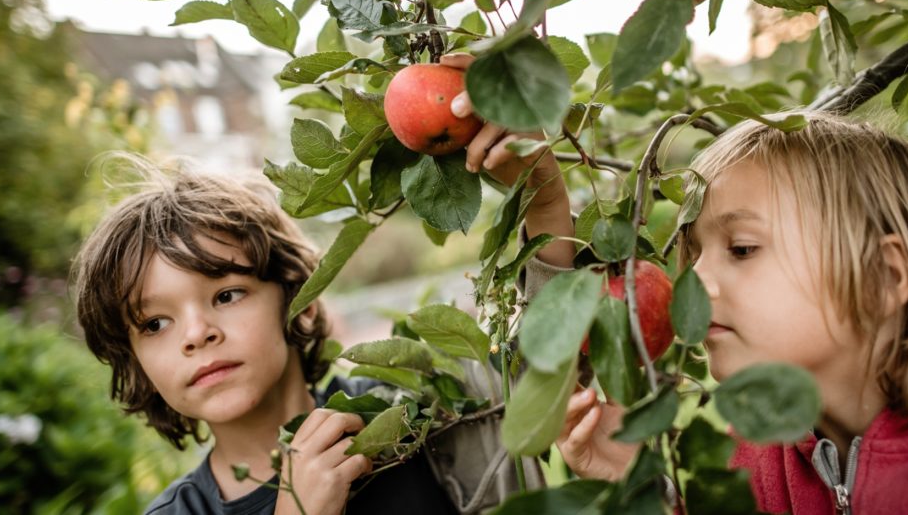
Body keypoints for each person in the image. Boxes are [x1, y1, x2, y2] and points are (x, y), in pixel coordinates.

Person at [72, 55, 575, 515]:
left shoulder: (411, 408)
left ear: (300, 300)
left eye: (226, 295)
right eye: (154, 323)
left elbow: (546, 369)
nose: (196, 333)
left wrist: (545, 198)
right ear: (135, 359)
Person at [555, 111, 908, 514]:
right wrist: (640, 484)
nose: (693, 283)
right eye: (696, 253)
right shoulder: (756, 448)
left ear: (884, 276)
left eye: (742, 248)